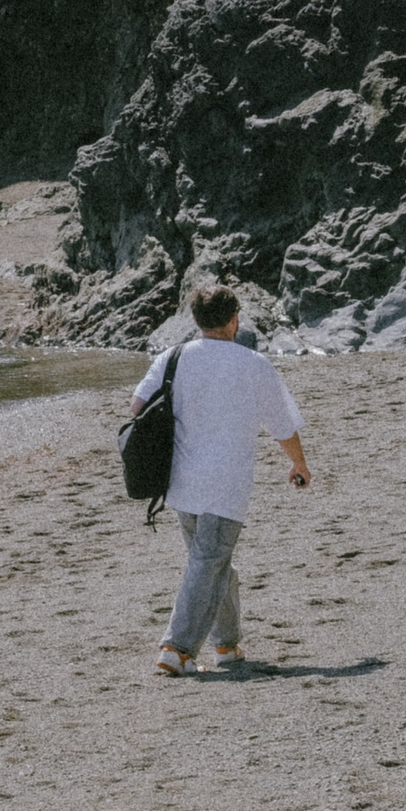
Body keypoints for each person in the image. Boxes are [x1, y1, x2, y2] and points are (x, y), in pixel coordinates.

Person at [130, 284, 312, 676]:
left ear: (195, 320)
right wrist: (298, 464)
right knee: (208, 562)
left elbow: (138, 406)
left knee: (211, 562)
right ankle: (176, 649)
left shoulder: (172, 357)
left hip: (180, 480)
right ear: (234, 320)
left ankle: (227, 645)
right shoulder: (253, 364)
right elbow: (282, 424)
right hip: (227, 484)